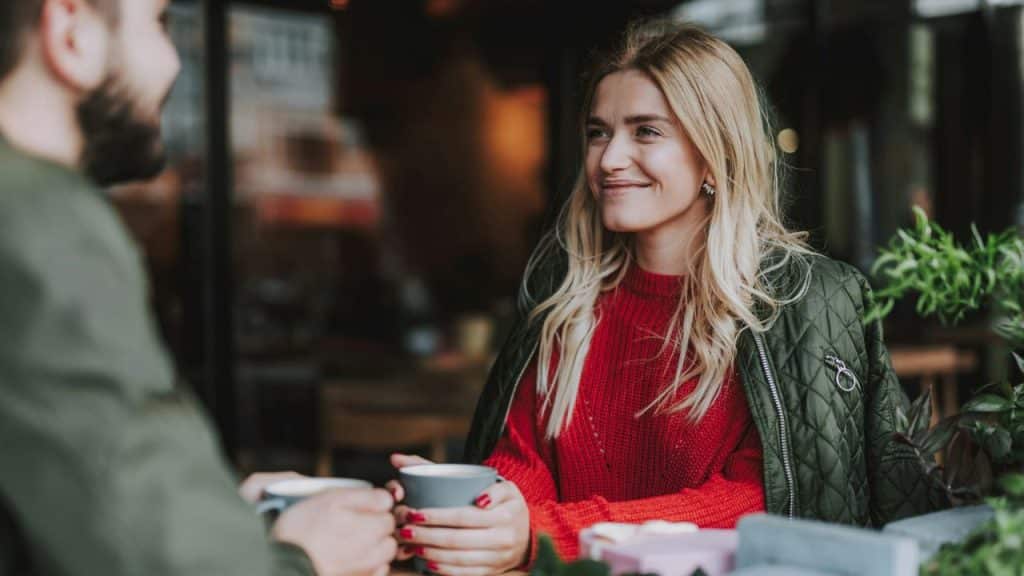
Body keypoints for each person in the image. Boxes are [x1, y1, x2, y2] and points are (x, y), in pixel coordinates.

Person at [390, 19, 947, 574]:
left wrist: (545, 533)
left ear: (712, 156)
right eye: (598, 131)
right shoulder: (564, 299)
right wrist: (480, 512)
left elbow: (763, 501)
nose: (608, 159)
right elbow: (525, 461)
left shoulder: (805, 304)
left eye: (646, 131)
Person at [0, 1, 396, 574]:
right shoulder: (40, 217)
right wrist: (304, 559)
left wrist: (220, 520)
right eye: (159, 24)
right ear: (71, 32)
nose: (176, 65)